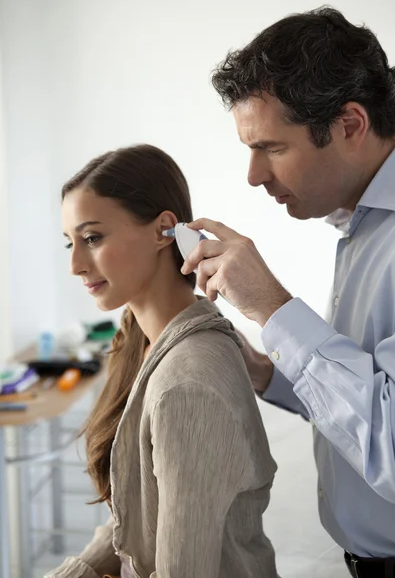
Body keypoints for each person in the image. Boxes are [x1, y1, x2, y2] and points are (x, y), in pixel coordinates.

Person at [181, 7, 395, 578]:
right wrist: (265, 370)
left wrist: (273, 308)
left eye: (272, 148)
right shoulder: (364, 224)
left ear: (351, 124)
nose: (254, 176)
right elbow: (369, 393)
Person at [45, 144, 278, 578]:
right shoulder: (138, 342)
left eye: (92, 238)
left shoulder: (186, 384)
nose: (76, 264)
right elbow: (133, 524)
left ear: (163, 230)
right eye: (70, 243)